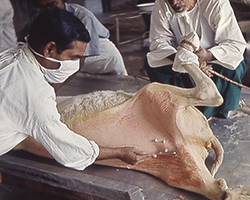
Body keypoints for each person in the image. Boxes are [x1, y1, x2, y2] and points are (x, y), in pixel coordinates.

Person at [0, 9, 146, 170]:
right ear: (49, 49)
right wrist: (119, 152)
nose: (76, 64)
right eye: (73, 57)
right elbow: (67, 148)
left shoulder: (9, 56)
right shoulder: (35, 94)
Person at [144, 0, 248, 119]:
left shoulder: (215, 3)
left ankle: (217, 110)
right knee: (153, 62)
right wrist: (181, 57)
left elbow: (234, 43)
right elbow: (159, 40)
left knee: (233, 66)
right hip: (179, 60)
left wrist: (207, 55)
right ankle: (176, 107)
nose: (174, 2)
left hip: (213, 60)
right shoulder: (162, 4)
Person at [38, 0, 128, 76]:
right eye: (44, 7)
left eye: (53, 4)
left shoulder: (84, 16)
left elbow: (83, 56)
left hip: (102, 54)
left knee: (120, 87)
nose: (49, 9)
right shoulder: (50, 16)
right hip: (77, 53)